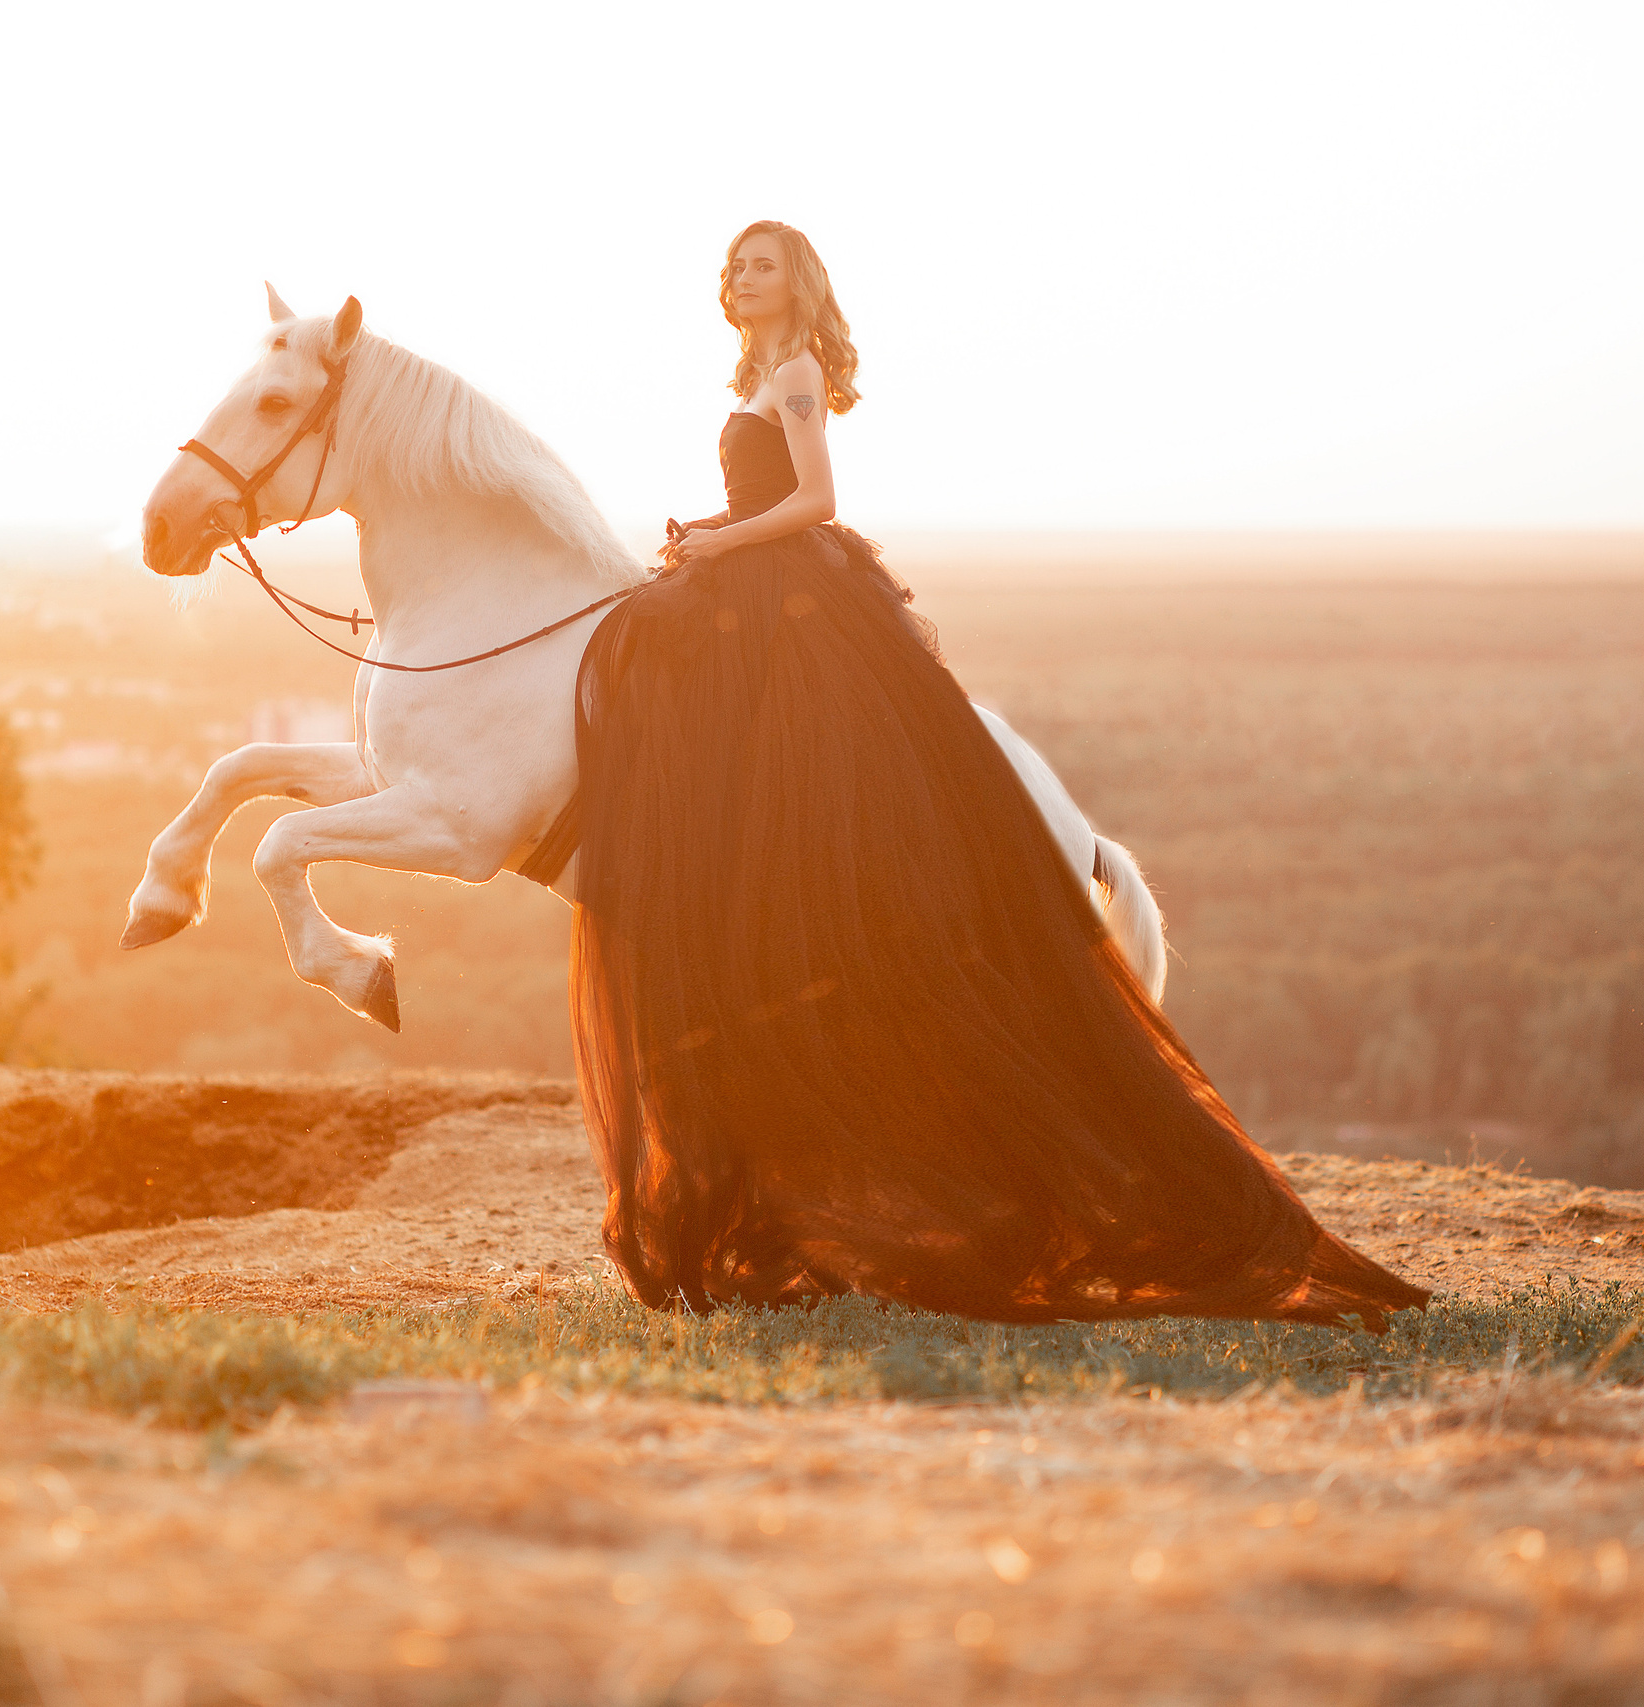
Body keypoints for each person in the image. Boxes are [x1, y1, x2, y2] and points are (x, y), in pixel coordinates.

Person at [568, 220, 1427, 1330]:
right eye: (734, 265)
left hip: (789, 605)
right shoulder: (754, 372)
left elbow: (817, 502)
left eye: (762, 264)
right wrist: (711, 536)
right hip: (757, 587)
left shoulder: (794, 371)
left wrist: (719, 548)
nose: (743, 277)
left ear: (800, 284)